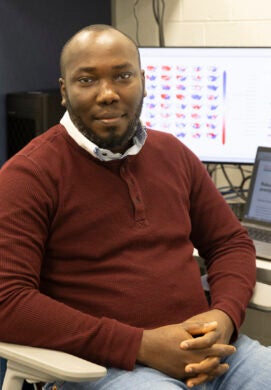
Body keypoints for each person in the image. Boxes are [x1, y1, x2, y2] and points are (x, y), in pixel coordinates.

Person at [0, 24, 270, 390]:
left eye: (123, 76)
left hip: (213, 349)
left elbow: (230, 243)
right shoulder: (28, 175)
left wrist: (223, 317)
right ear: (64, 91)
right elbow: (8, 301)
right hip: (105, 368)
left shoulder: (173, 153)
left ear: (143, 81)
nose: (108, 93)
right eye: (87, 80)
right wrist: (141, 345)